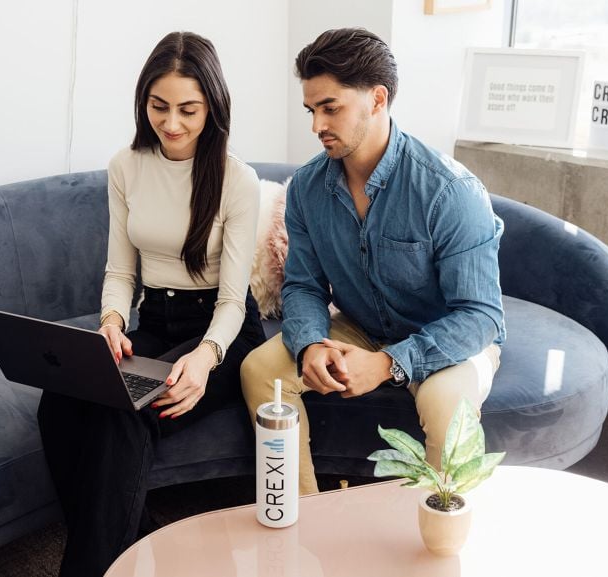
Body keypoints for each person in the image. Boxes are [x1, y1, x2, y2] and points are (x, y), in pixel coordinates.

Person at [37, 31, 265, 576]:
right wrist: (112, 324)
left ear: (212, 107)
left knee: (124, 412)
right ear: (144, 101)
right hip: (155, 320)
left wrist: (205, 359)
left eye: (189, 110)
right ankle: (140, 546)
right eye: (159, 107)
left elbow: (234, 301)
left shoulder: (238, 180)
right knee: (60, 400)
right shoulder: (126, 166)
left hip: (225, 334)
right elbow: (120, 272)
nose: (172, 124)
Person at [241, 28, 505, 496]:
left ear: (377, 99)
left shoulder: (450, 191)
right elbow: (303, 285)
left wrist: (388, 364)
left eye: (331, 107)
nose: (317, 124)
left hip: (448, 339)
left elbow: (479, 317)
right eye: (312, 109)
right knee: (260, 371)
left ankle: (439, 551)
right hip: (359, 323)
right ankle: (300, 521)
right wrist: (310, 345)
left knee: (448, 407)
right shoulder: (306, 189)